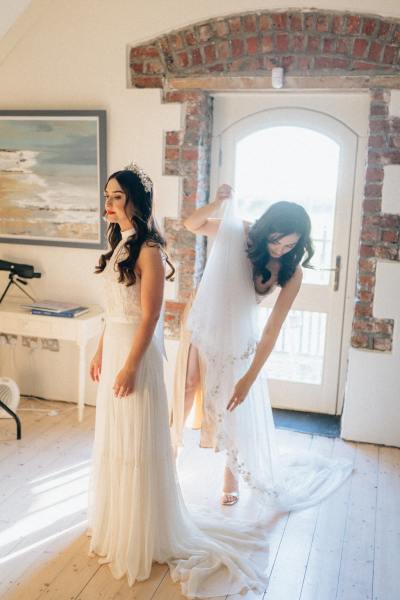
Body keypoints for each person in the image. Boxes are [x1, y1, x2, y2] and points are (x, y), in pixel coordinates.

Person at [87, 165, 268, 597]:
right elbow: (113, 308)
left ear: (134, 201)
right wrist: (99, 350)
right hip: (114, 344)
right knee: (117, 438)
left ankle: (144, 532)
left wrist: (129, 366)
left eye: (116, 196)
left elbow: (149, 316)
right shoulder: (118, 245)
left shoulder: (148, 248)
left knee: (138, 440)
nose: (108, 203)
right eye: (106, 196)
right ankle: (119, 523)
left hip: (137, 352)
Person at [171, 184, 352, 508]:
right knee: (188, 385)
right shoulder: (242, 233)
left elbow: (271, 329)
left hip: (240, 334)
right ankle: (171, 454)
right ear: (266, 229)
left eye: (290, 244)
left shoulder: (291, 272)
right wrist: (218, 202)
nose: (281, 249)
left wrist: (250, 376)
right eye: (276, 240)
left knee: (234, 401)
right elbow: (192, 225)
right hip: (204, 319)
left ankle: (231, 474)